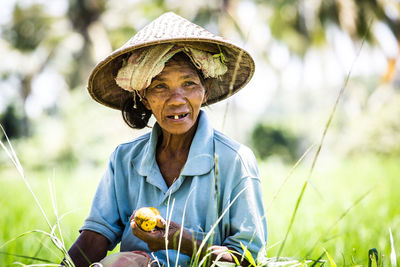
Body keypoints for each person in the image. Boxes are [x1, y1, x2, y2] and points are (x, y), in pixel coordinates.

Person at [65, 12, 267, 267]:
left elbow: (249, 258)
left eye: (189, 83)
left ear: (205, 92)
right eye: (160, 86)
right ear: (144, 96)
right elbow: (95, 237)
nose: (176, 99)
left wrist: (183, 243)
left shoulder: (234, 160)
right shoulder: (125, 159)